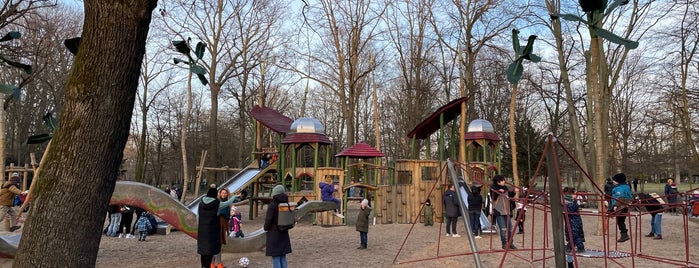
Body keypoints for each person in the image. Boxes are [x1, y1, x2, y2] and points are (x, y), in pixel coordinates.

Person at [197, 184, 236, 268]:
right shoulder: (217, 204)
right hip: (212, 231)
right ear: (215, 195)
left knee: (203, 251)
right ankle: (208, 266)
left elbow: (198, 217)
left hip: (202, 231)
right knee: (210, 250)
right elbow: (227, 203)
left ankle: (203, 266)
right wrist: (235, 196)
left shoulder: (200, 203)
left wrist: (200, 226)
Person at [264, 185, 292, 268]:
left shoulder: (273, 205)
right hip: (284, 231)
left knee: (276, 256)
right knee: (282, 255)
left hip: (274, 232)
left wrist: (266, 227)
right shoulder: (286, 203)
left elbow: (269, 219)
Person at [490, 175, 518, 249]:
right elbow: (493, 197)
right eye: (502, 180)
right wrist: (498, 191)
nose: (504, 181)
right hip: (499, 211)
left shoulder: (505, 188)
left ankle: (510, 242)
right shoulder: (493, 188)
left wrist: (514, 192)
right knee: (503, 229)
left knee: (509, 228)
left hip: (507, 211)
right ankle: (504, 244)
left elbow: (510, 196)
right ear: (498, 181)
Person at [609, 173, 632, 242]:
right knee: (620, 220)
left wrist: (615, 206)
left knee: (620, 221)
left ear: (618, 181)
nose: (613, 181)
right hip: (625, 205)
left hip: (621, 206)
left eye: (614, 180)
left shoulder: (619, 188)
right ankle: (624, 234)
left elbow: (619, 198)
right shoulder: (626, 186)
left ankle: (624, 235)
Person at [212, 189, 231, 268]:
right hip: (218, 224)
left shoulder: (227, 202)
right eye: (222, 193)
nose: (224, 194)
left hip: (223, 224)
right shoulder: (218, 202)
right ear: (220, 193)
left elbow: (227, 215)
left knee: (217, 244)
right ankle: (218, 264)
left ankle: (213, 264)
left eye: (225, 193)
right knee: (217, 244)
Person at [563, 187, 585, 252]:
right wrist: (575, 200)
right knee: (574, 236)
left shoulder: (571, 202)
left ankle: (577, 247)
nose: (576, 195)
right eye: (574, 193)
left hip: (574, 221)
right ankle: (571, 247)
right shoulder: (568, 203)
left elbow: (573, 208)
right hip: (573, 221)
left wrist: (575, 200)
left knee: (575, 236)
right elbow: (571, 209)